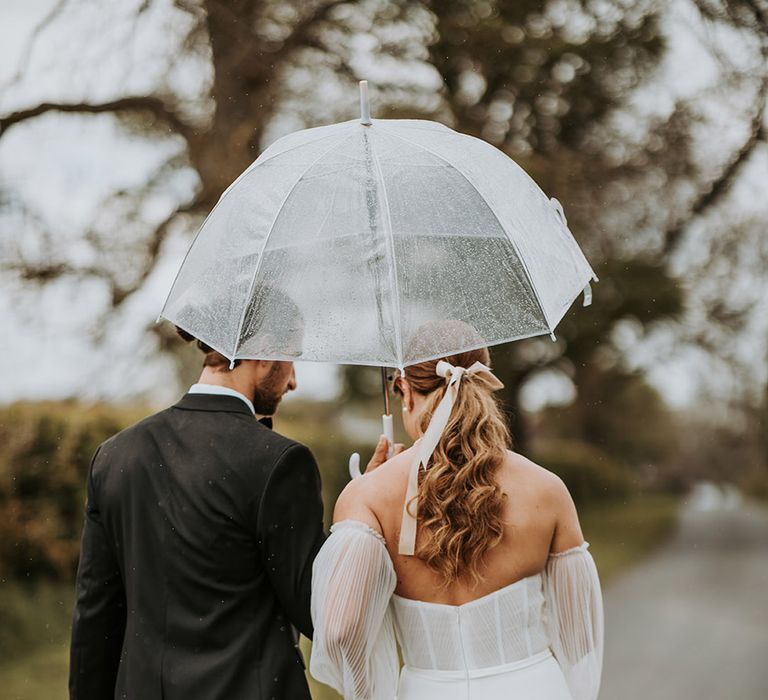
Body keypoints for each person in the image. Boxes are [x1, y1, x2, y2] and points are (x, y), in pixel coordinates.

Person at [68, 294, 392, 700]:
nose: (293, 380)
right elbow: (319, 611)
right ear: (264, 351)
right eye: (291, 357)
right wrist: (364, 505)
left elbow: (96, 616)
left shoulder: (116, 455)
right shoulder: (278, 463)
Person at [310, 337, 604, 699]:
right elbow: (580, 637)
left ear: (403, 388)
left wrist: (369, 690)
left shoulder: (367, 496)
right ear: (484, 386)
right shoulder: (547, 489)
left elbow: (339, 630)